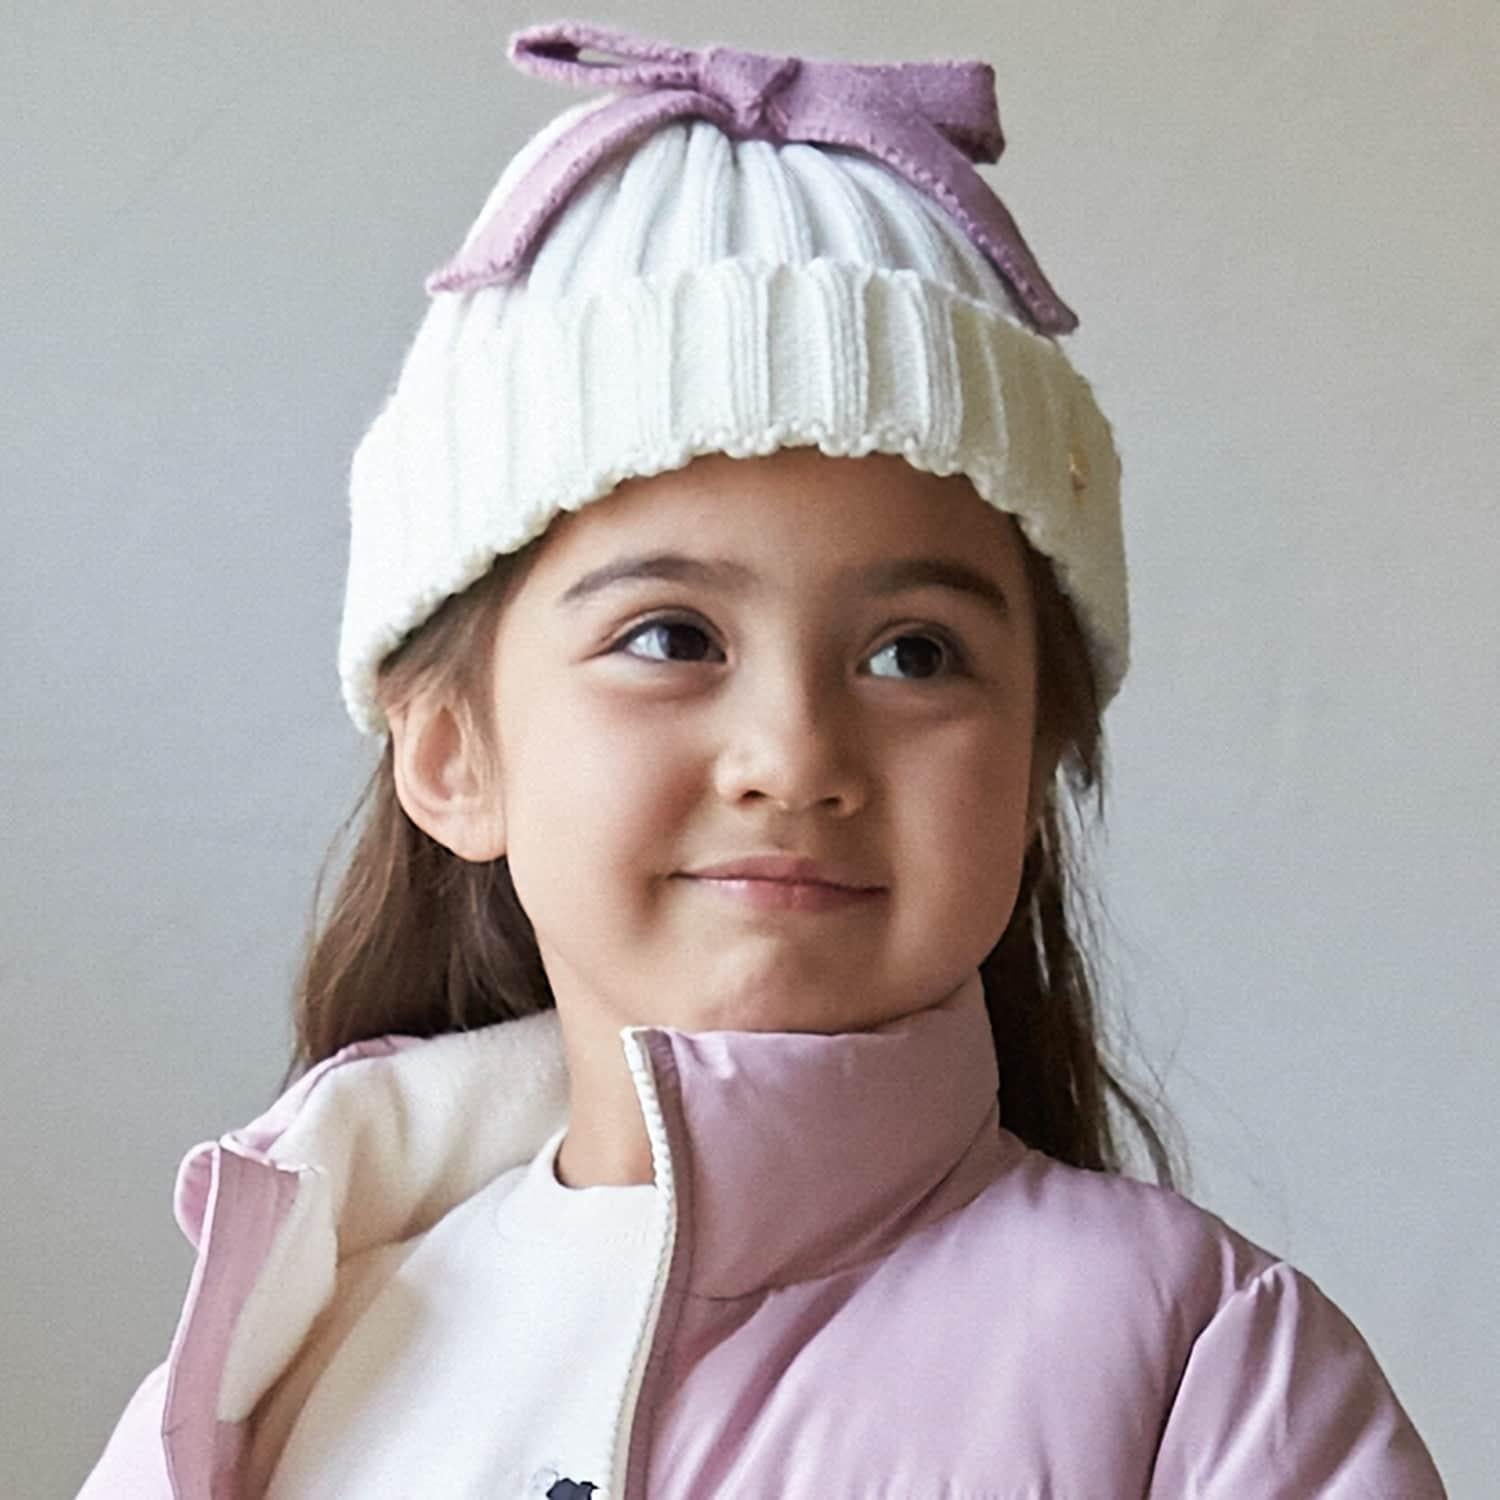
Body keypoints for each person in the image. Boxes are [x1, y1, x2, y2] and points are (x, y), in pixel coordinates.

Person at [76, 18, 1447, 1500]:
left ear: (1035, 760)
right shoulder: (274, 1364)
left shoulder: (1205, 1367)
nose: (794, 758)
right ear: (455, 752)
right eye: (671, 637)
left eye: (915, 654)